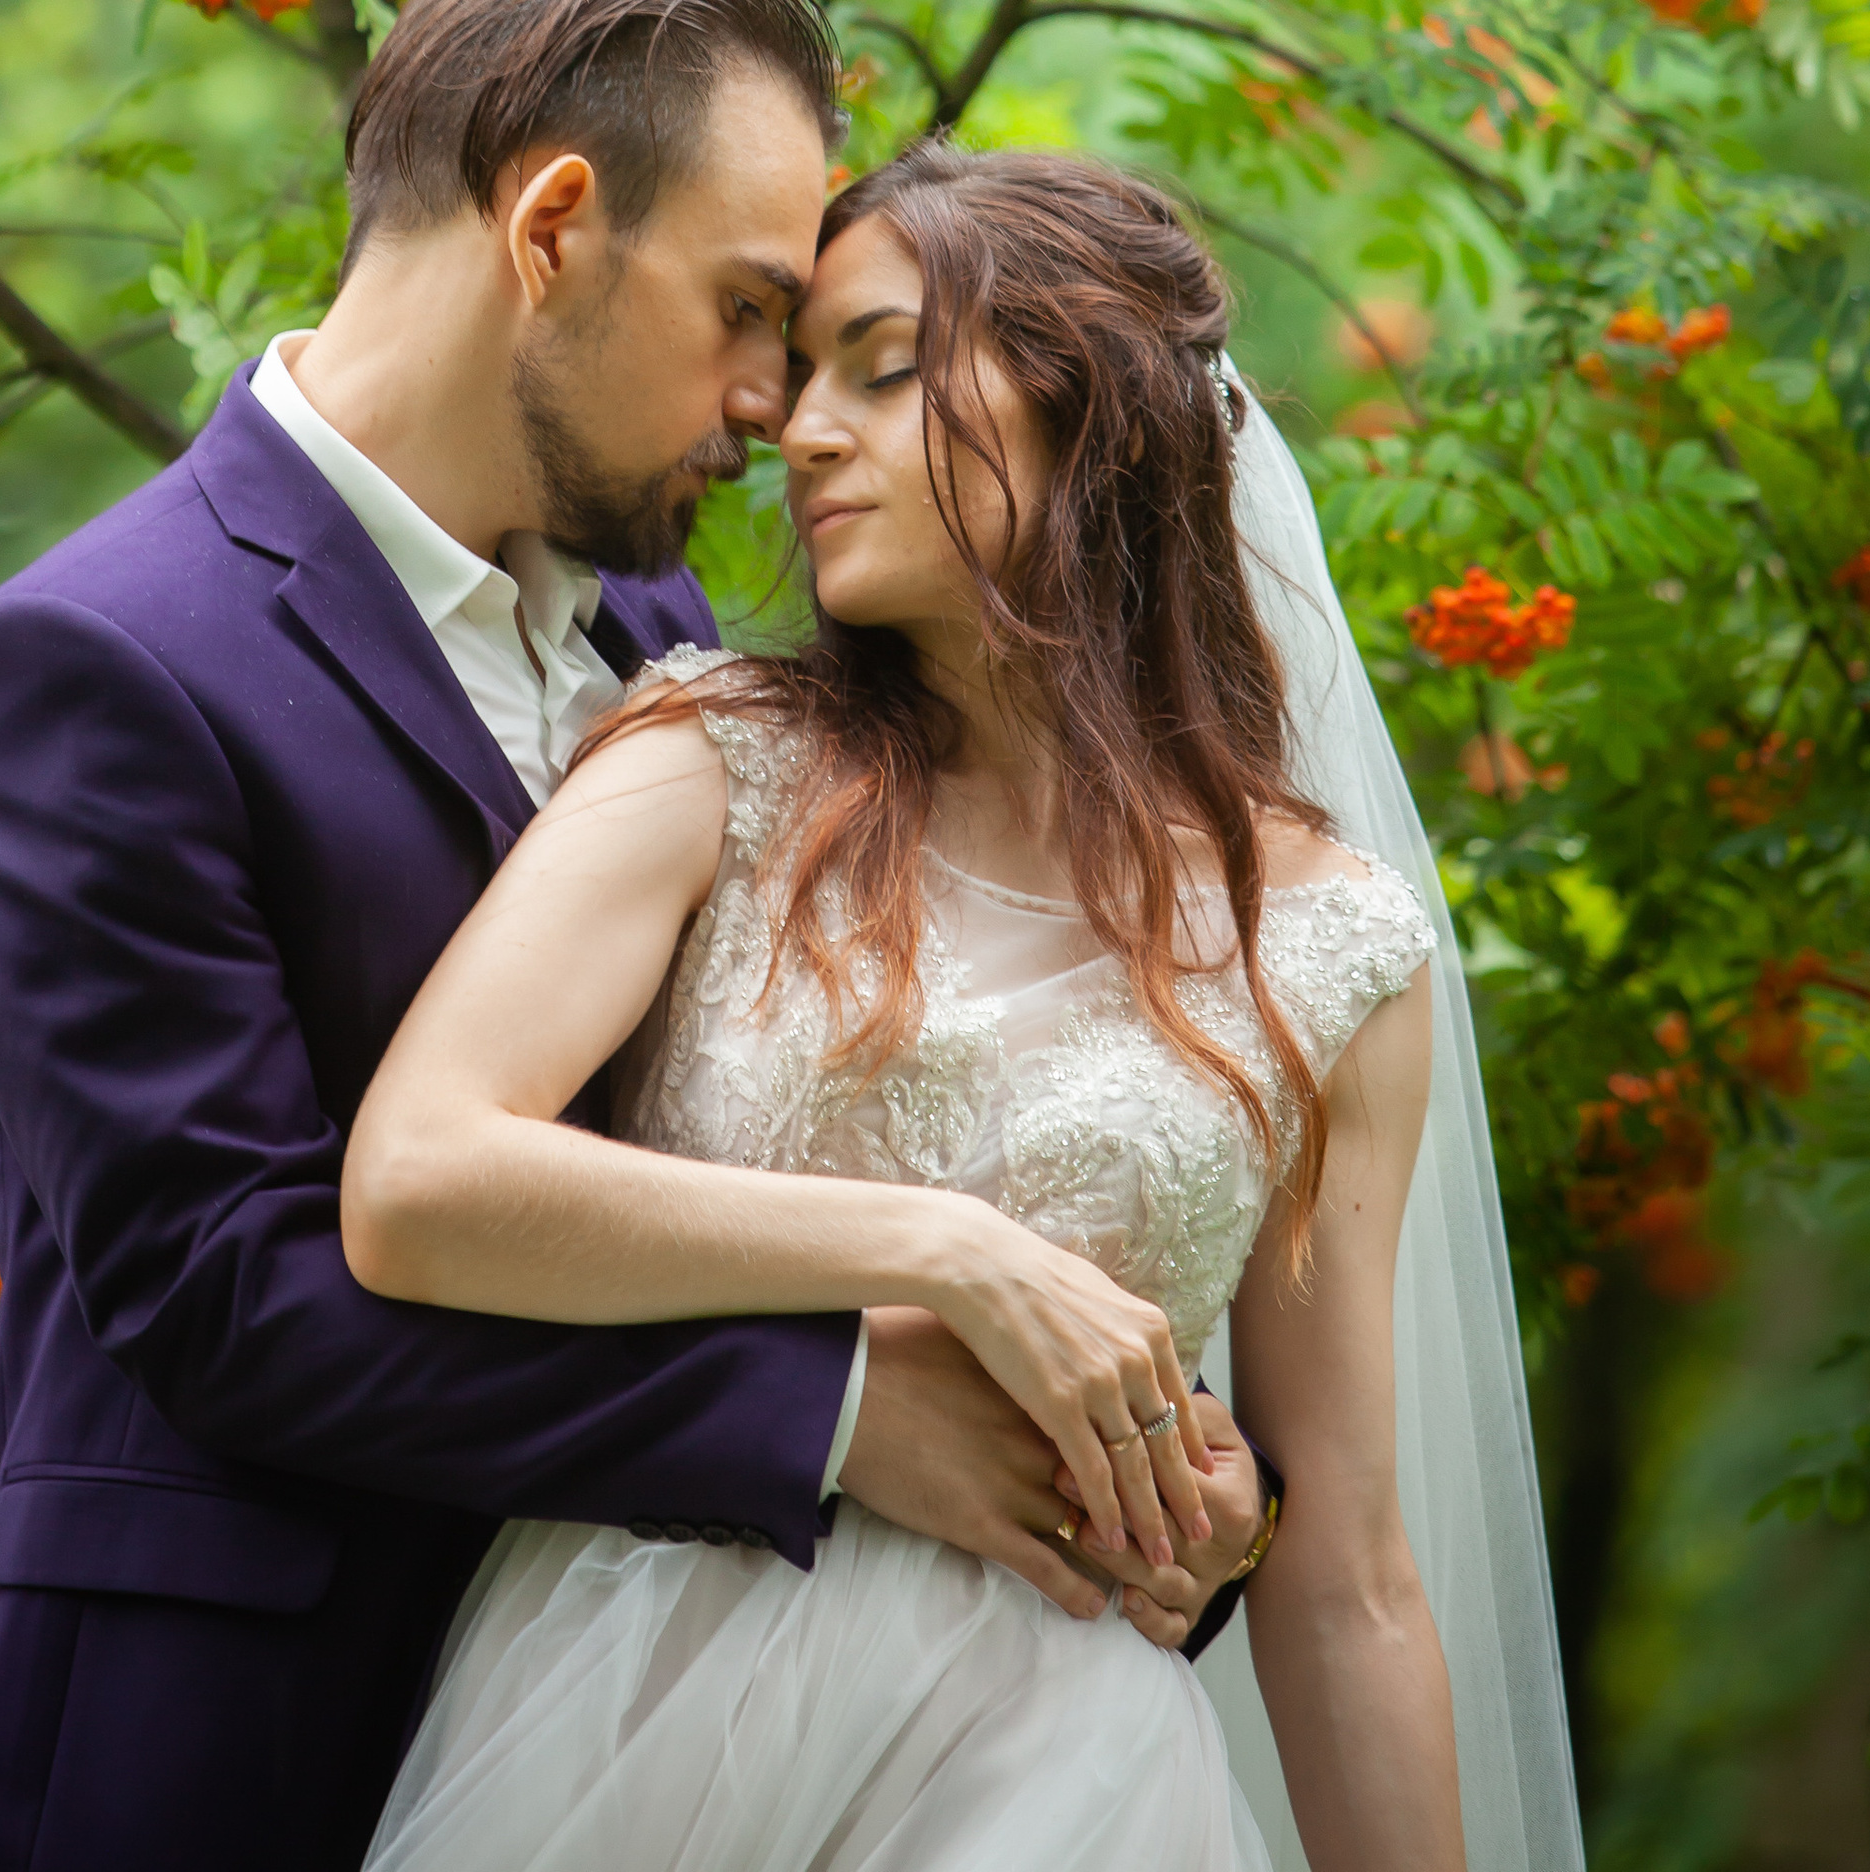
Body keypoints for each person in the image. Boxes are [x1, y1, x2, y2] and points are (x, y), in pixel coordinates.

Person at [0, 0, 1266, 1872]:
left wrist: (1147, 1474)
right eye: (742, 314)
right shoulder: (101, 663)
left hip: (654, 1744)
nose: (767, 406)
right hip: (233, 1750)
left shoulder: (662, 628)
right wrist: (833, 1419)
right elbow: (235, 1298)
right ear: (549, 228)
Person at [343, 143, 1471, 1872]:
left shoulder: (1321, 945)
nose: (795, 432)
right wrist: (952, 1250)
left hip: (1066, 1777)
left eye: (881, 368)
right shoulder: (708, 758)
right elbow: (419, 1180)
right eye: (798, 377)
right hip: (656, 1716)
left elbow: (1349, 1578)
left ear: (1091, 411)